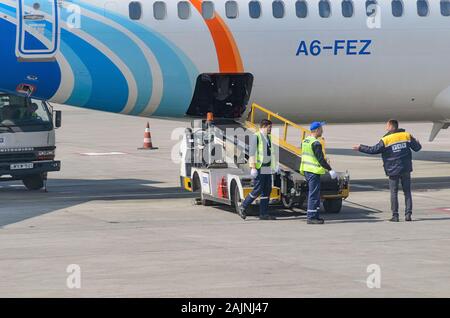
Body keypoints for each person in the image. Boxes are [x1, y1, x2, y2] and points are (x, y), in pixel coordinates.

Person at [352, 119, 422, 222]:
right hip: (405, 168)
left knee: (394, 192)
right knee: (407, 192)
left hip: (393, 170)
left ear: (391, 126)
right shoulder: (406, 135)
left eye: (387, 126)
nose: (386, 128)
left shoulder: (386, 139)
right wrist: (418, 143)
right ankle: (408, 215)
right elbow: (417, 148)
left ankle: (395, 215)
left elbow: (373, 150)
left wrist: (360, 147)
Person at [239, 119, 277, 220]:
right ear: (264, 126)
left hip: (267, 167)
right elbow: (252, 153)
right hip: (259, 167)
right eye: (269, 127)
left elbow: (271, 153)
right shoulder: (256, 137)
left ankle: (263, 214)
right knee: (258, 189)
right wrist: (253, 167)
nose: (270, 129)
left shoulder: (268, 137)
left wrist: (275, 166)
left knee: (267, 190)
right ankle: (243, 206)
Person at [300, 122, 337, 225]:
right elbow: (320, 159)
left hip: (306, 169)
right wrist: (330, 170)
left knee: (314, 194)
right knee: (314, 194)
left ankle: (315, 215)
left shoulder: (305, 141)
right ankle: (311, 217)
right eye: (321, 129)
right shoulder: (316, 143)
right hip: (313, 171)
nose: (322, 131)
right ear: (316, 130)